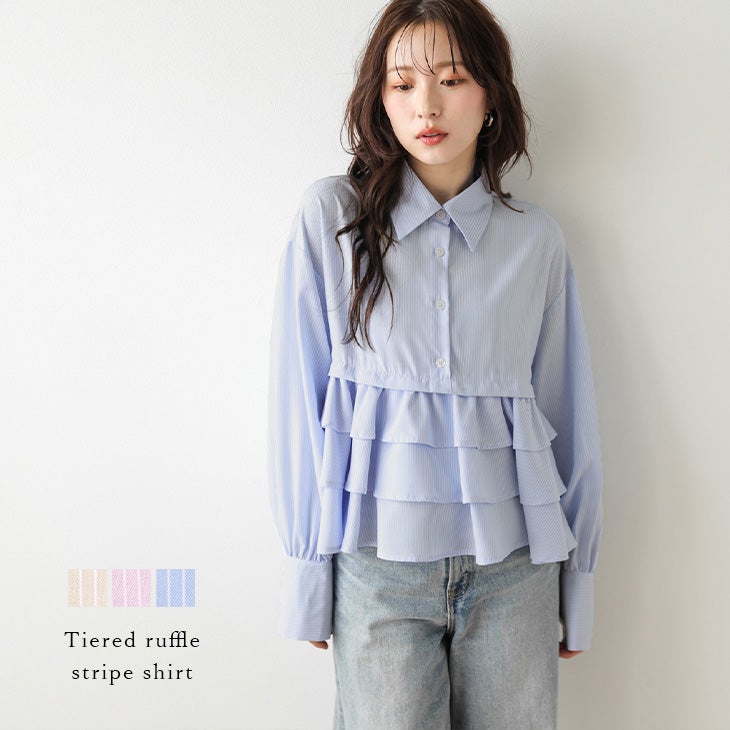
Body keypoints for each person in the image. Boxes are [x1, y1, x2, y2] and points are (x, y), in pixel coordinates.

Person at [268, 0, 602, 727]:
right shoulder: (333, 219)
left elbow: (567, 412)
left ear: (491, 95)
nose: (427, 105)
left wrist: (577, 584)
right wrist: (307, 572)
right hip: (377, 568)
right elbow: (298, 401)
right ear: (379, 101)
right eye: (403, 84)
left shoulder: (537, 240)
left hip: (516, 572)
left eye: (451, 79)